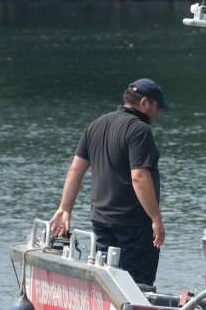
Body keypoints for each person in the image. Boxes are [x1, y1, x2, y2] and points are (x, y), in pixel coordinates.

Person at [50, 78, 169, 286]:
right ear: (144, 102)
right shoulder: (140, 131)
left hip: (101, 222)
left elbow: (75, 170)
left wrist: (64, 208)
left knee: (107, 284)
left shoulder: (96, 125)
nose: (158, 112)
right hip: (134, 226)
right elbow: (139, 177)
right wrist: (156, 219)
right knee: (137, 289)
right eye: (157, 105)